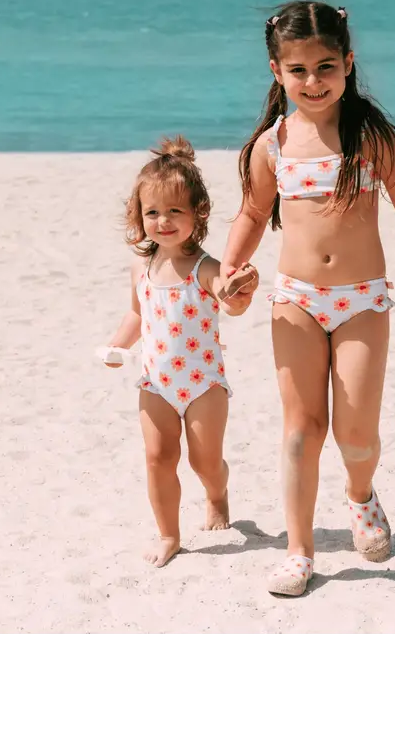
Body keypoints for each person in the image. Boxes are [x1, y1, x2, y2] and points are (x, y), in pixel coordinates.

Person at [220, 0, 395, 596]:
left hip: (361, 302)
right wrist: (228, 272)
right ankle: (298, 552)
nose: (313, 81)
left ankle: (360, 494)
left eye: (326, 66)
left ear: (349, 64)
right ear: (277, 72)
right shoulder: (271, 146)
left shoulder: (370, 138)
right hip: (295, 299)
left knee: (356, 434)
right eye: (298, 70)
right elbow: (252, 214)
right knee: (301, 428)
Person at [104, 136, 258, 568]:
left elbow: (229, 301)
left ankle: (217, 492)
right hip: (155, 382)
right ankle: (169, 534)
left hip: (203, 383)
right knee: (158, 458)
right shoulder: (142, 266)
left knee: (204, 461)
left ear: (198, 214)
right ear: (139, 217)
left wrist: (239, 293)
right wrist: (118, 344)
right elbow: (138, 314)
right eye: (152, 212)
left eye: (175, 211)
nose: (163, 221)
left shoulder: (205, 267)